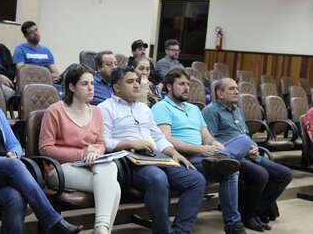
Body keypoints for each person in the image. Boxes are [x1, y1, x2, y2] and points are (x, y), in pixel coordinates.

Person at [0, 69, 83, 234]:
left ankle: (51, 222)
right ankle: (52, 221)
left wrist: (14, 154)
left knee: (15, 198)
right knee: (11, 166)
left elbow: (14, 143)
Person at [98, 66, 208, 234]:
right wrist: (131, 144)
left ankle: (180, 231)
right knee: (158, 178)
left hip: (156, 157)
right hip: (129, 162)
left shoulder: (144, 108)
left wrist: (174, 153)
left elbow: (158, 137)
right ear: (117, 87)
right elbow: (105, 142)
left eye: (136, 81)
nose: (136, 85)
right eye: (130, 82)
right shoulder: (105, 108)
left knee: (196, 180)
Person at [151, 67, 253, 234]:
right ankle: (233, 225)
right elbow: (166, 139)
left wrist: (214, 143)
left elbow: (206, 136)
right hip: (182, 158)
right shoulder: (161, 107)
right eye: (181, 84)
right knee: (230, 171)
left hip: (204, 156)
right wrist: (201, 149)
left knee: (244, 140)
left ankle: (222, 157)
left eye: (188, 84)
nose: (186, 88)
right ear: (169, 86)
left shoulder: (193, 109)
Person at [201, 78, 292, 232]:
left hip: (250, 154)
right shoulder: (210, 110)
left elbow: (246, 135)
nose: (237, 91)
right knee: (261, 175)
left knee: (285, 174)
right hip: (231, 156)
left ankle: (253, 212)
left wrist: (254, 147)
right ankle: (249, 217)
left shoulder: (238, 110)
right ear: (220, 93)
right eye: (231, 89)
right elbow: (211, 140)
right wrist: (241, 146)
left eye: (237, 88)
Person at [39, 64, 120, 234]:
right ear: (71, 86)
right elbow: (45, 148)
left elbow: (101, 143)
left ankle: (101, 229)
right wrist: (81, 153)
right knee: (114, 187)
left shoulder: (97, 112)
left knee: (111, 172)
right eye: (84, 84)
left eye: (92, 83)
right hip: (60, 169)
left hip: (90, 165)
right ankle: (102, 230)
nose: (91, 88)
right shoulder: (54, 111)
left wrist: (95, 152)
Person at [13, 21, 62, 92]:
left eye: (36, 30)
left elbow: (55, 73)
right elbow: (22, 72)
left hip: (48, 84)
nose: (36, 33)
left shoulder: (46, 51)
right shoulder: (20, 49)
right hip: (30, 85)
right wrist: (45, 77)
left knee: (72, 71)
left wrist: (56, 77)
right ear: (26, 36)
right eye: (31, 32)